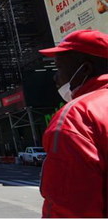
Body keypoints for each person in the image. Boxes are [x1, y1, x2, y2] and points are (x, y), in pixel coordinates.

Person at [37, 29, 108, 218]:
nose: (55, 77)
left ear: (85, 69)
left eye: (59, 68)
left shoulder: (76, 117)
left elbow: (72, 209)